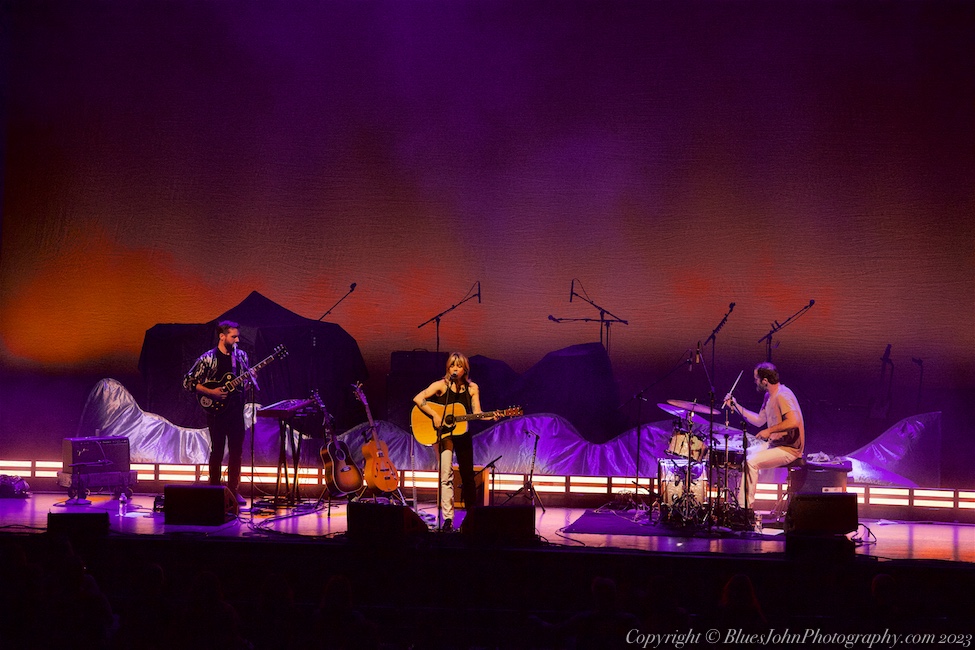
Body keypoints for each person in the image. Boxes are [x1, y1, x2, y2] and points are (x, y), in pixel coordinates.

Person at [413, 352, 494, 532]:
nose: (454, 369)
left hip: (463, 434)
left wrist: (491, 416)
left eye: (458, 366)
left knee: (467, 475)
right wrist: (435, 415)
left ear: (465, 369)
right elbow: (418, 398)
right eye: (451, 366)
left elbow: (477, 412)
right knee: (445, 475)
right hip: (444, 435)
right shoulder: (441, 385)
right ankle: (448, 519)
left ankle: (472, 515)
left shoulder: (473, 388)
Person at [183, 320, 258, 506]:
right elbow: (188, 382)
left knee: (236, 452)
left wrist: (251, 379)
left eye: (237, 336)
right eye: (233, 337)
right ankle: (214, 489)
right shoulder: (208, 358)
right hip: (217, 413)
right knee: (217, 451)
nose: (237, 340)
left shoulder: (241, 357)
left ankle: (234, 490)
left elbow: (242, 387)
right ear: (222, 336)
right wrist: (211, 392)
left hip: (236, 412)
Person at [723, 362, 804, 510]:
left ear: (765, 381)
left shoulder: (783, 395)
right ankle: (739, 502)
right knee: (744, 455)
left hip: (789, 448)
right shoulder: (769, 396)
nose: (755, 381)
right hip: (776, 445)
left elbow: (794, 421)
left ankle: (744, 509)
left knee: (751, 462)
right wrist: (736, 406)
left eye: (756, 378)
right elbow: (760, 420)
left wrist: (769, 431)